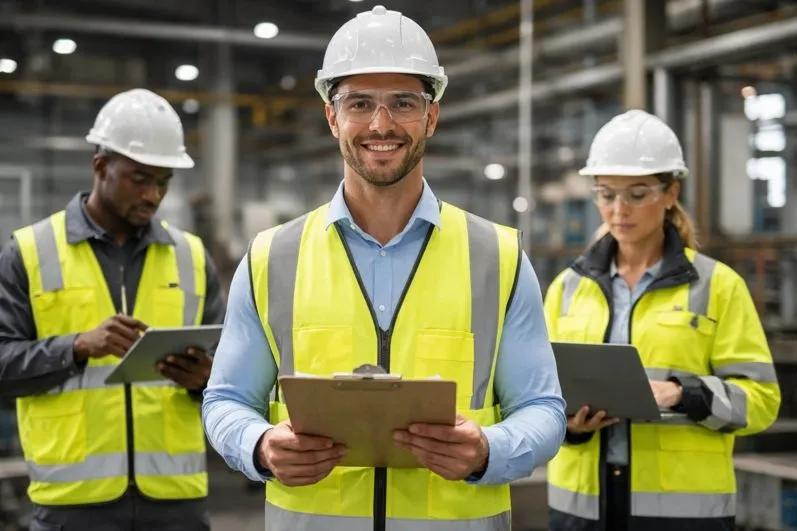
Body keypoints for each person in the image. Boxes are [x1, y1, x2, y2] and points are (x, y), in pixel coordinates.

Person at [202, 5, 566, 530]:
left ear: (432, 116)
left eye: (403, 103)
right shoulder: (271, 257)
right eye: (359, 103)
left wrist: (489, 450)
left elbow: (543, 409)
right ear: (332, 117)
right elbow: (227, 399)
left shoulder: (498, 257)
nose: (381, 124)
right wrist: (258, 445)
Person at [542, 109, 782, 531]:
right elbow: (535, 392)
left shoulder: (717, 286)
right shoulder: (566, 287)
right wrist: (569, 425)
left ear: (670, 193)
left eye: (637, 194)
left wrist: (681, 393)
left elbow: (761, 401)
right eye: (606, 193)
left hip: (681, 516)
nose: (618, 210)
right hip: (581, 511)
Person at [0, 88, 226, 531]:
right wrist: (77, 347)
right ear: (101, 166)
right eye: (140, 178)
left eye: (163, 181)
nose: (153, 195)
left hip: (176, 502)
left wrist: (206, 380)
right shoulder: (29, 253)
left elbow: (234, 378)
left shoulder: (193, 258)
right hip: (73, 505)